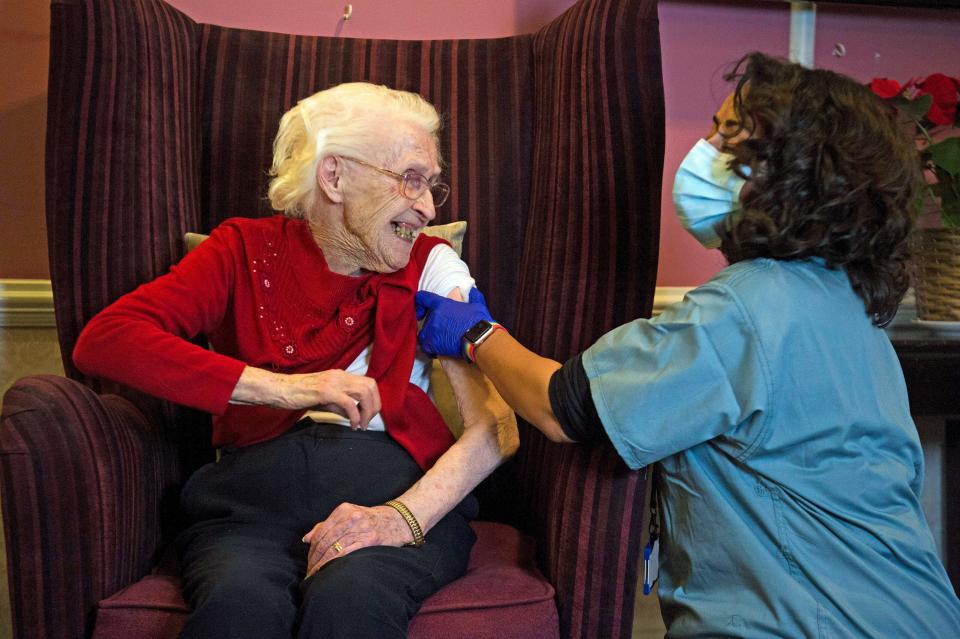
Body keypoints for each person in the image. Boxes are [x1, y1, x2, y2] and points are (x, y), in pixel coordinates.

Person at [414, 52, 960, 637]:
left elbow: (560, 407)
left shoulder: (745, 311)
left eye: (728, 133)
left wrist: (473, 332)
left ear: (793, 171)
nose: (705, 147)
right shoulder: (846, 302)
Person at [72, 82, 518, 639]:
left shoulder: (431, 264)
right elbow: (108, 339)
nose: (426, 207)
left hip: (393, 495)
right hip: (249, 510)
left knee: (351, 604)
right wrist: (287, 389)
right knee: (236, 610)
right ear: (333, 176)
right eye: (409, 179)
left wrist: (400, 519)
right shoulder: (239, 250)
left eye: (431, 186)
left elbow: (496, 426)